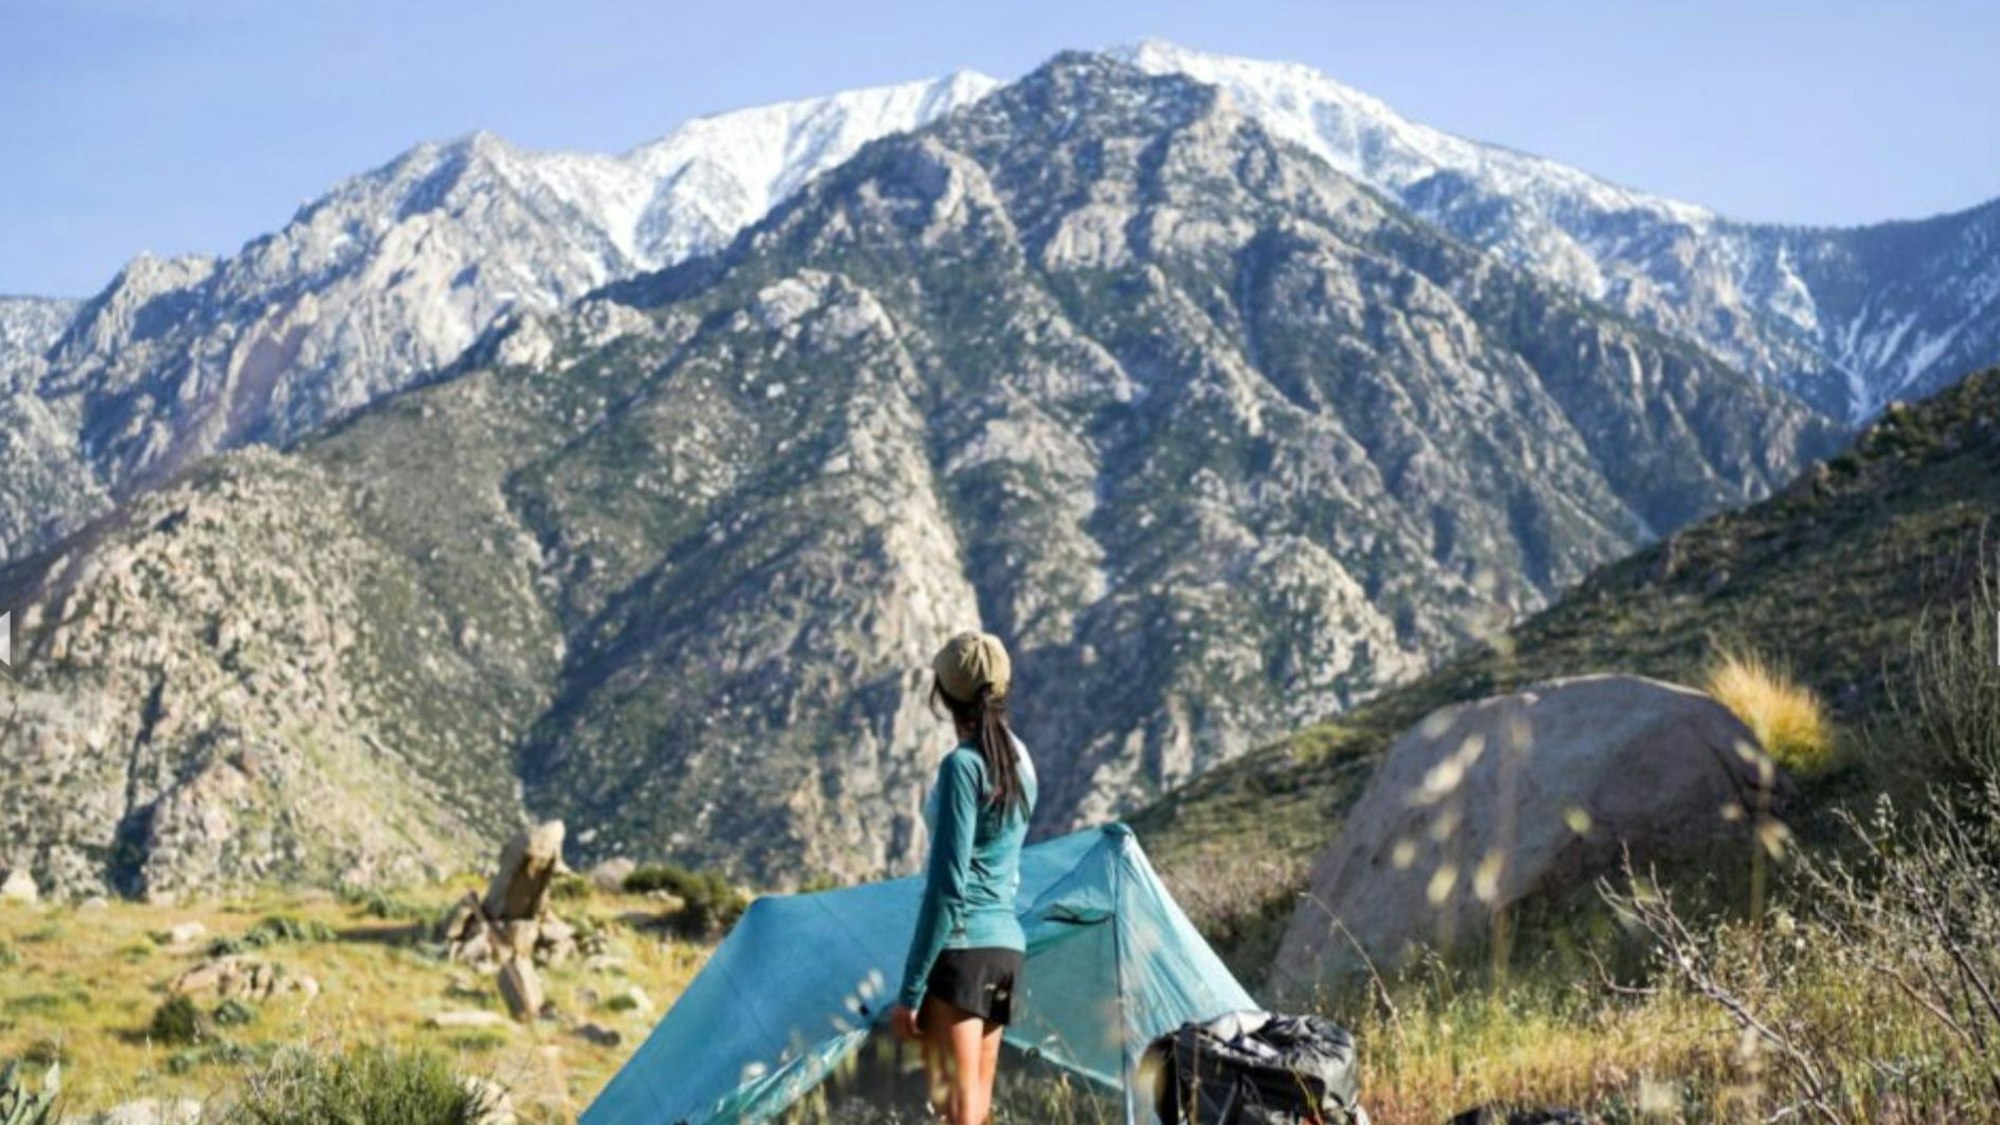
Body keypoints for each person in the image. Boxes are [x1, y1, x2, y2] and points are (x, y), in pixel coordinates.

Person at [888, 630, 1038, 1125]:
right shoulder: (1022, 765)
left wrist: (910, 992)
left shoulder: (963, 767)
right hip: (1006, 953)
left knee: (957, 1115)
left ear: (943, 695)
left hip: (963, 952)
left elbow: (948, 889)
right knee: (976, 1109)